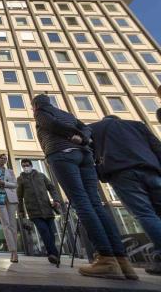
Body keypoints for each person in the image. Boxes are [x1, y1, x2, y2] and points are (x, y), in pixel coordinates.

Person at [32, 94, 137, 280]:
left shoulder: (41, 112)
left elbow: (51, 124)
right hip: (85, 156)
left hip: (62, 154)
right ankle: (123, 262)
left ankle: (105, 258)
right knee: (96, 203)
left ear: (36, 104)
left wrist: (74, 136)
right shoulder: (68, 114)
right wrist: (84, 138)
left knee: (82, 203)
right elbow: (87, 129)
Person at [89, 115, 161, 275]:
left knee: (145, 213)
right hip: (152, 170)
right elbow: (157, 146)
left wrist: (99, 173)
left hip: (122, 172)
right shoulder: (136, 124)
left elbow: (89, 155)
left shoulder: (94, 128)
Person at [17, 158, 62, 264]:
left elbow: (52, 188)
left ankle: (53, 254)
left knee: (51, 234)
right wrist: (21, 212)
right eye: (23, 166)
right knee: (44, 232)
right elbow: (19, 197)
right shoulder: (20, 179)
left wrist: (56, 199)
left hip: (47, 209)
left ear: (31, 165)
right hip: (34, 211)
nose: (25, 167)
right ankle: (53, 254)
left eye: (27, 165)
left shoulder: (41, 176)